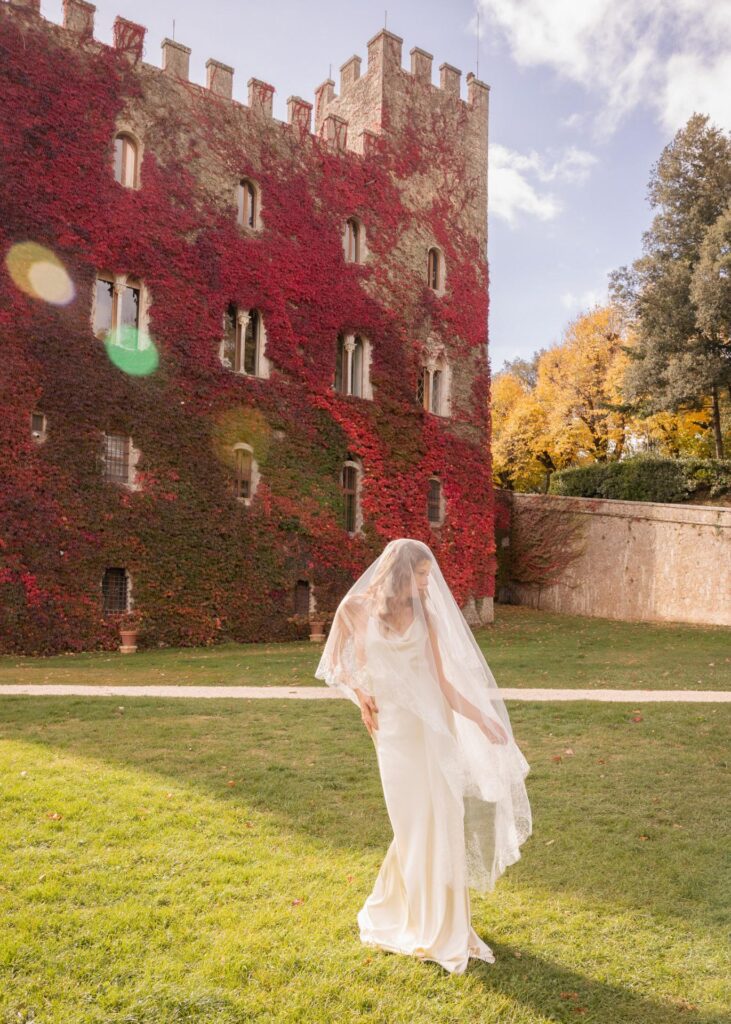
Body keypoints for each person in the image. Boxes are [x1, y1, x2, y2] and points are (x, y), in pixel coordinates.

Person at [315, 538, 532, 975]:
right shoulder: (354, 609)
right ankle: (402, 910)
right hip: (394, 735)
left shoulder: (425, 615)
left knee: (440, 820)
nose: (427, 583)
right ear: (399, 572)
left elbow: (446, 685)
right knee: (411, 824)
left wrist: (484, 719)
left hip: (434, 732)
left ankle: (441, 923)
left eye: (428, 576)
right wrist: (361, 696)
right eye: (420, 575)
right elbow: (335, 664)